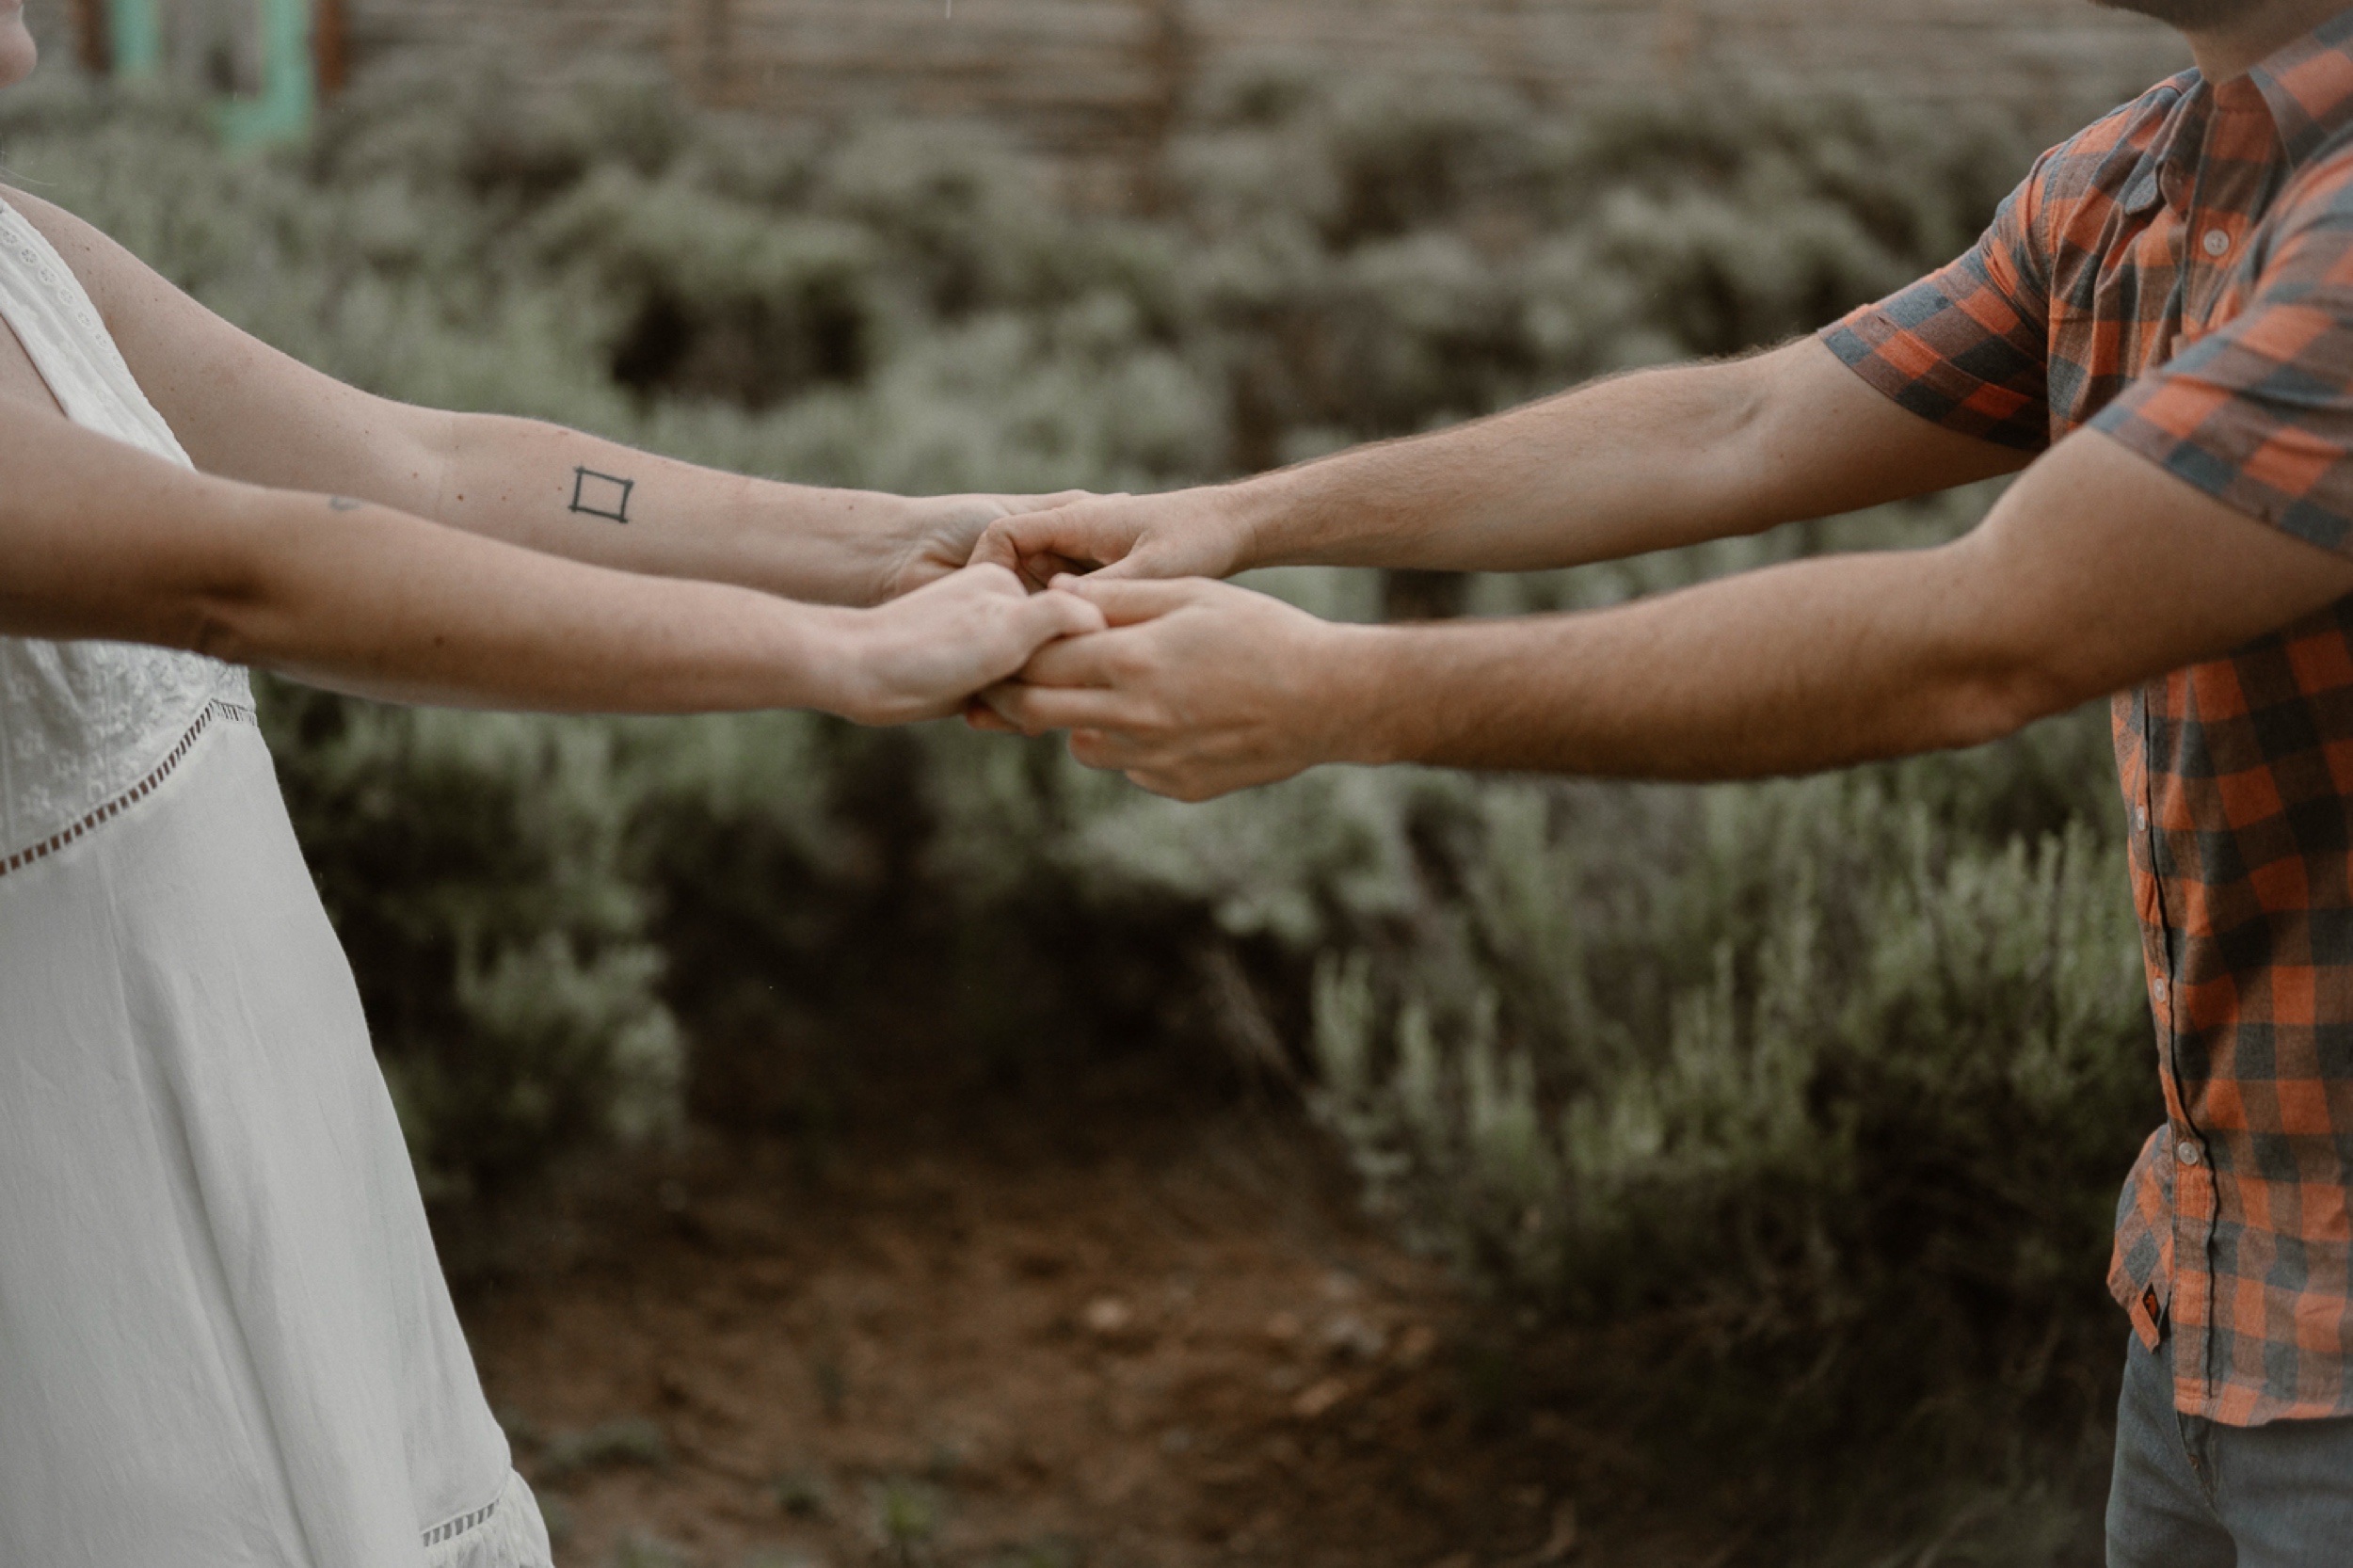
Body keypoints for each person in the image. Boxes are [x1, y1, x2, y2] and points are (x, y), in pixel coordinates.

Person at [974, 0, 2353, 1560]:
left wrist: (1338, 690)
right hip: (2213, 1303)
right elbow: (1737, 422)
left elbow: (1981, 640)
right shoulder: (2133, 184)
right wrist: (1233, 517)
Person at [0, 6, 1105, 1564]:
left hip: (264, 1107)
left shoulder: (22, 252)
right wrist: (826, 659)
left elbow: (420, 467)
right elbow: (256, 572)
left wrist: (888, 547)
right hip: (64, 1214)